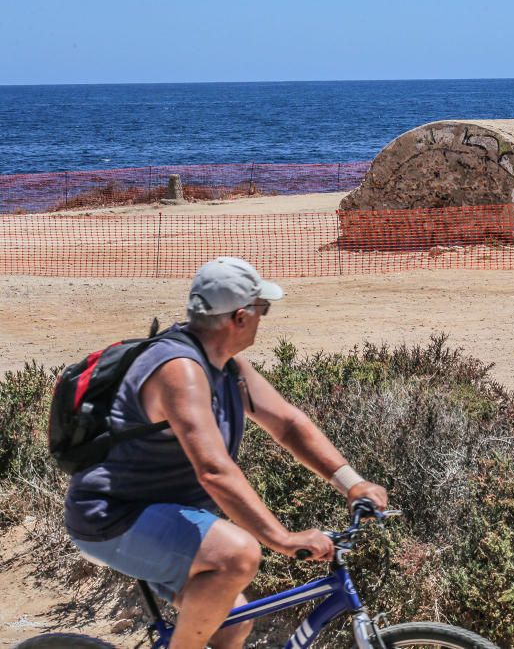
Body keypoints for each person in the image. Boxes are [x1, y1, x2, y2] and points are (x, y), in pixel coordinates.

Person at [64, 257, 389, 649]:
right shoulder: (179, 371)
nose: (262, 319)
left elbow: (287, 424)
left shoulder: (227, 368)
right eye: (262, 309)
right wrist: (282, 538)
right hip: (113, 516)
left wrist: (351, 483)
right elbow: (214, 471)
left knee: (233, 624)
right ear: (240, 317)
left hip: (164, 515)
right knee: (238, 554)